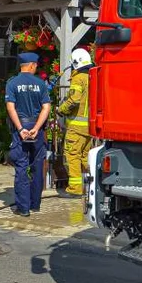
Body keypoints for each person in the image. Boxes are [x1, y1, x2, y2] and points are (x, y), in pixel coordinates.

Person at [4, 52, 51, 217]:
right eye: (36, 65)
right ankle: (35, 204)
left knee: (22, 167)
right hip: (37, 129)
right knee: (38, 166)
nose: (36, 67)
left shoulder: (12, 83)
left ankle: (23, 208)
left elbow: (11, 107)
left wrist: (20, 128)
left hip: (21, 127)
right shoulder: (41, 84)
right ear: (31, 65)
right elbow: (46, 107)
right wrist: (37, 127)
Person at [56, 48, 93, 197]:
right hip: (89, 127)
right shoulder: (92, 77)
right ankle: (93, 186)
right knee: (85, 157)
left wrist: (61, 110)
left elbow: (74, 100)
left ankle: (75, 189)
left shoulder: (78, 79)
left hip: (77, 128)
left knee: (72, 155)